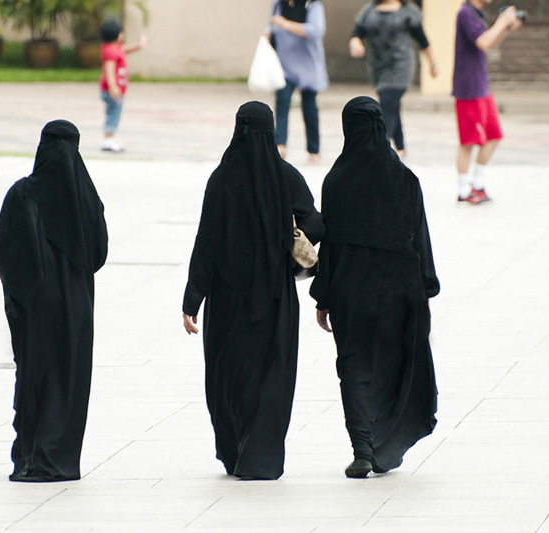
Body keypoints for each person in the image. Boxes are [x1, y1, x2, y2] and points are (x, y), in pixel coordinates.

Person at [182, 101, 324, 480]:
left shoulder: (222, 178)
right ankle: (261, 456)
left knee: (228, 375)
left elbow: (206, 243)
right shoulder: (286, 176)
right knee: (271, 374)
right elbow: (317, 225)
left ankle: (233, 450)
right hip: (274, 297)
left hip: (226, 300)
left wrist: (191, 300)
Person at [309, 97, 439, 478]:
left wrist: (324, 296)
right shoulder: (405, 179)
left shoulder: (336, 181)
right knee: (393, 363)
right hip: (400, 290)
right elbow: (421, 240)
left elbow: (331, 246)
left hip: (351, 292)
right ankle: (387, 439)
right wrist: (426, 288)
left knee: (353, 366)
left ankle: (362, 448)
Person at [0, 120, 109, 482]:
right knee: (68, 378)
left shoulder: (21, 194)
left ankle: (29, 455)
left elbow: (0, 253)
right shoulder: (87, 199)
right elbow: (99, 254)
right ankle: (59, 458)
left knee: (34, 377)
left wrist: (24, 288)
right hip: (75, 308)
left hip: (32, 308)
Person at [349, 0, 438, 159]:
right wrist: (355, 44)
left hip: (400, 66)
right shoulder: (369, 10)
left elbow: (423, 41)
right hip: (378, 67)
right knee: (392, 106)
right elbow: (356, 34)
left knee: (387, 103)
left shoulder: (408, 11)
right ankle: (400, 147)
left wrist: (433, 63)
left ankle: (380, 147)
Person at [453, 0, 522, 204]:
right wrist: (502, 21)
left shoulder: (476, 13)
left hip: (481, 85)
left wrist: (506, 28)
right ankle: (464, 190)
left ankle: (478, 183)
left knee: (493, 135)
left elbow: (489, 42)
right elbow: (483, 41)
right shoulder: (465, 13)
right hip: (469, 88)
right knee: (468, 141)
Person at [267, 0, 329, 163]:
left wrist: (286, 24)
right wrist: (267, 33)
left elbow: (316, 30)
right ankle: (280, 145)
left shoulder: (312, 5)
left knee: (309, 107)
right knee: (282, 102)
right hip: (285, 64)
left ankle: (313, 150)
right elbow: (272, 24)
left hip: (308, 65)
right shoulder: (279, 4)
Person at [99, 19, 145, 153]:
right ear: (117, 35)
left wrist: (138, 46)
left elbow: (124, 50)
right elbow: (109, 69)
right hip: (112, 91)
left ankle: (109, 138)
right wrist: (113, 86)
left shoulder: (114, 48)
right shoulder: (110, 51)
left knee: (113, 112)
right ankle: (108, 140)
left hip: (116, 90)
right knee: (114, 114)